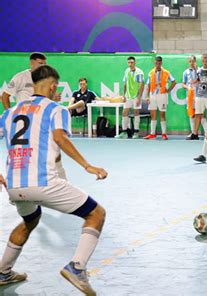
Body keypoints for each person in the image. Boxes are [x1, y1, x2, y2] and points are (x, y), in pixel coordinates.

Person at [0, 65, 107, 295]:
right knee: (96, 214)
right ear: (52, 86)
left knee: (30, 220)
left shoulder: (8, 113)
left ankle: (3, 272)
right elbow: (59, 137)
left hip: (14, 185)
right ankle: (77, 268)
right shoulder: (57, 110)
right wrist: (87, 165)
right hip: (43, 183)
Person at [143, 55, 176, 140]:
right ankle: (152, 133)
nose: (158, 64)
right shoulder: (151, 73)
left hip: (162, 95)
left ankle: (164, 134)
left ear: (161, 63)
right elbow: (148, 85)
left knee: (162, 114)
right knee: (153, 114)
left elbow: (174, 81)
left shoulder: (166, 72)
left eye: (159, 63)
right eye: (156, 63)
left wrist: (168, 90)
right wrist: (147, 96)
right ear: (154, 63)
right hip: (153, 95)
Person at [116, 56, 145, 139]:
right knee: (125, 112)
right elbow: (125, 84)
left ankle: (136, 132)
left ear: (135, 63)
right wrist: (124, 95)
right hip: (128, 96)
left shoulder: (139, 72)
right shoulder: (126, 71)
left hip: (136, 96)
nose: (130, 64)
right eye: (129, 62)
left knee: (136, 112)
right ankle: (124, 132)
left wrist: (139, 97)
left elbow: (142, 85)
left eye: (132, 62)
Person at [187, 54, 207, 140]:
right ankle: (195, 133)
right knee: (198, 114)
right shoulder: (199, 71)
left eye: (206, 61)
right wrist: (193, 82)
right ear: (202, 61)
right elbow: (198, 80)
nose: (205, 62)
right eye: (203, 61)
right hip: (199, 95)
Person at [182, 55, 199, 139]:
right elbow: (183, 84)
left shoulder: (199, 71)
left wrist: (197, 69)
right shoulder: (185, 72)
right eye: (190, 61)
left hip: (199, 95)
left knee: (200, 114)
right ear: (188, 62)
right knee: (191, 114)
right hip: (190, 95)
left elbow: (202, 80)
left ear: (195, 61)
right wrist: (187, 87)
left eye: (193, 61)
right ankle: (193, 133)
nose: (192, 63)